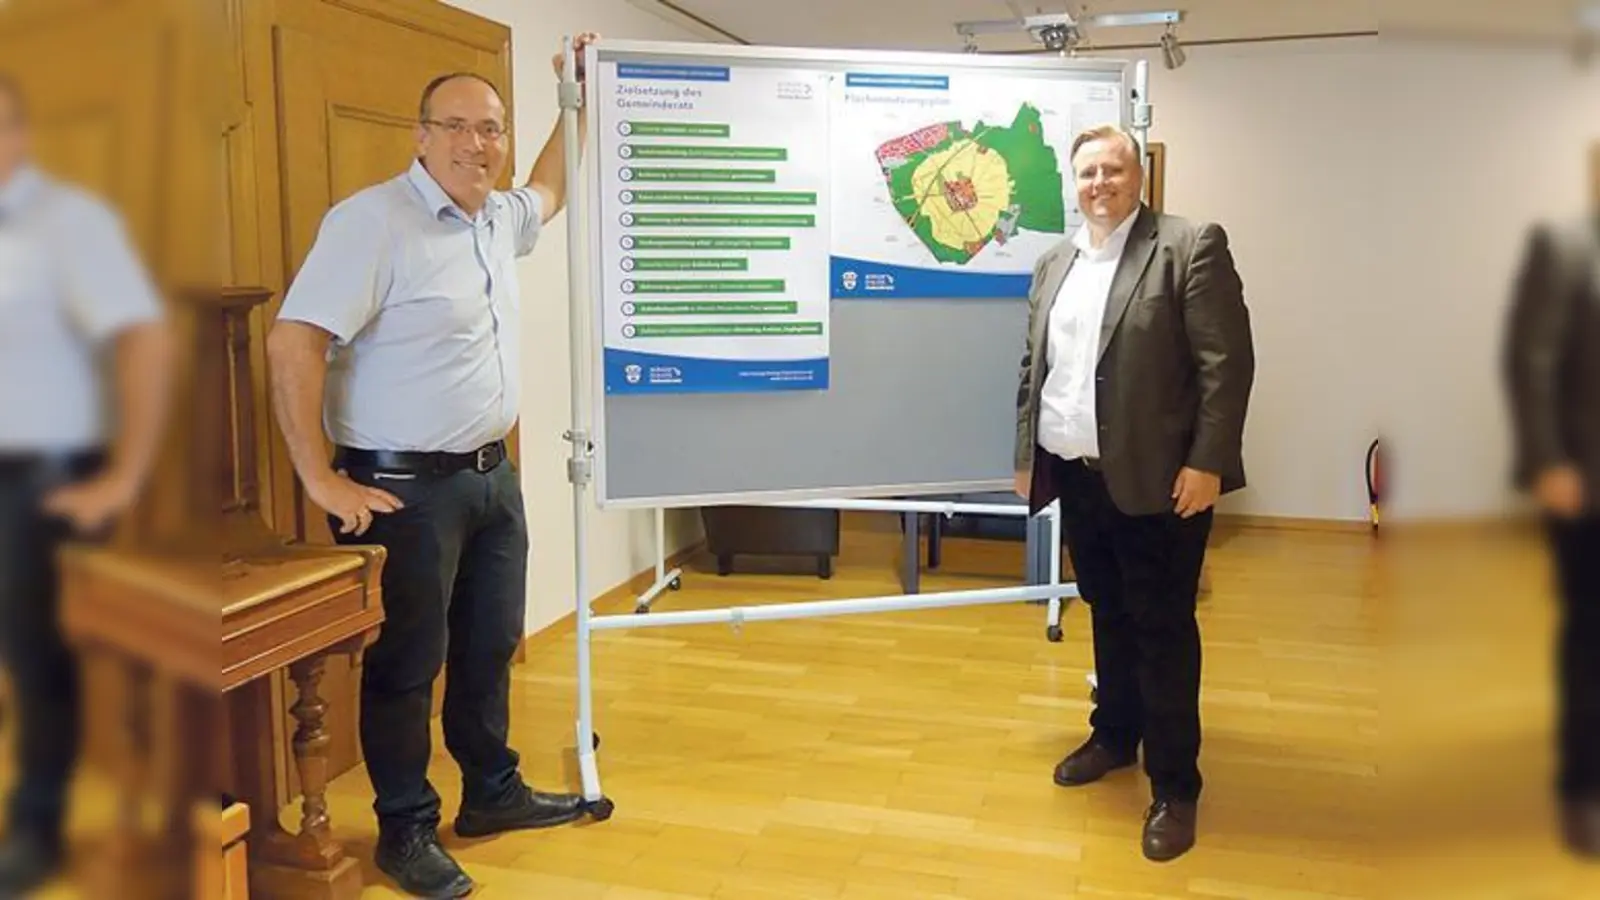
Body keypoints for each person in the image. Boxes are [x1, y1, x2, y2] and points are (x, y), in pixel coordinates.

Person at [267, 35, 598, 899]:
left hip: (493, 477)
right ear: (420, 136)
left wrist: (577, 92)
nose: (476, 143)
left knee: (490, 646)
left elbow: (554, 185)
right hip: (403, 489)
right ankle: (405, 828)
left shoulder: (497, 217)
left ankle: (491, 793)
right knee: (410, 662)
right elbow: (294, 339)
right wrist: (319, 480)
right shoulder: (371, 223)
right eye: (456, 126)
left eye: (489, 128)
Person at [1013, 124, 1254, 862]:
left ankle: (1176, 786)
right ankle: (1115, 735)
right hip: (1079, 476)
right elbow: (1035, 366)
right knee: (1107, 613)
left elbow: (1228, 364)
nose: (1099, 184)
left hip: (1162, 484)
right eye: (1087, 172)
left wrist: (1209, 462)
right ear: (1073, 182)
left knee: (1163, 629)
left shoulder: (1189, 245)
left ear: (1138, 178)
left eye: (1113, 170)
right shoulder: (1055, 260)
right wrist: (1026, 453)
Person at [0, 73, 174, 894]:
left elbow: (144, 341)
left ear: (21, 133)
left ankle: (37, 829)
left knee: (39, 668)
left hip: (40, 480)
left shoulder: (71, 225)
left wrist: (124, 476)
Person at [1503, 211, 1600, 857]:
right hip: (1588, 480)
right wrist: (1548, 461)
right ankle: (1584, 789)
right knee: (1592, 636)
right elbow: (1530, 360)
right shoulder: (1565, 247)